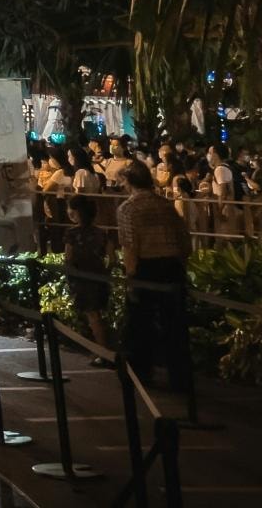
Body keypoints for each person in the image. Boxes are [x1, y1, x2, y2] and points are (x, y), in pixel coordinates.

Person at [117, 160, 193, 389]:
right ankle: (180, 377)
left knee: (140, 324)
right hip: (172, 268)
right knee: (175, 325)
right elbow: (184, 239)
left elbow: (130, 246)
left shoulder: (128, 209)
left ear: (129, 182)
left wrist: (131, 279)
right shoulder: (166, 205)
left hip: (146, 269)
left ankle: (141, 374)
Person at [62, 196, 113, 362]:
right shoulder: (101, 233)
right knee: (98, 313)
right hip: (99, 275)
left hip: (82, 277)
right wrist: (107, 270)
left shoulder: (72, 234)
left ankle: (103, 351)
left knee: (92, 315)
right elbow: (112, 257)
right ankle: (102, 348)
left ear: (76, 213)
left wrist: (69, 272)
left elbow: (68, 257)